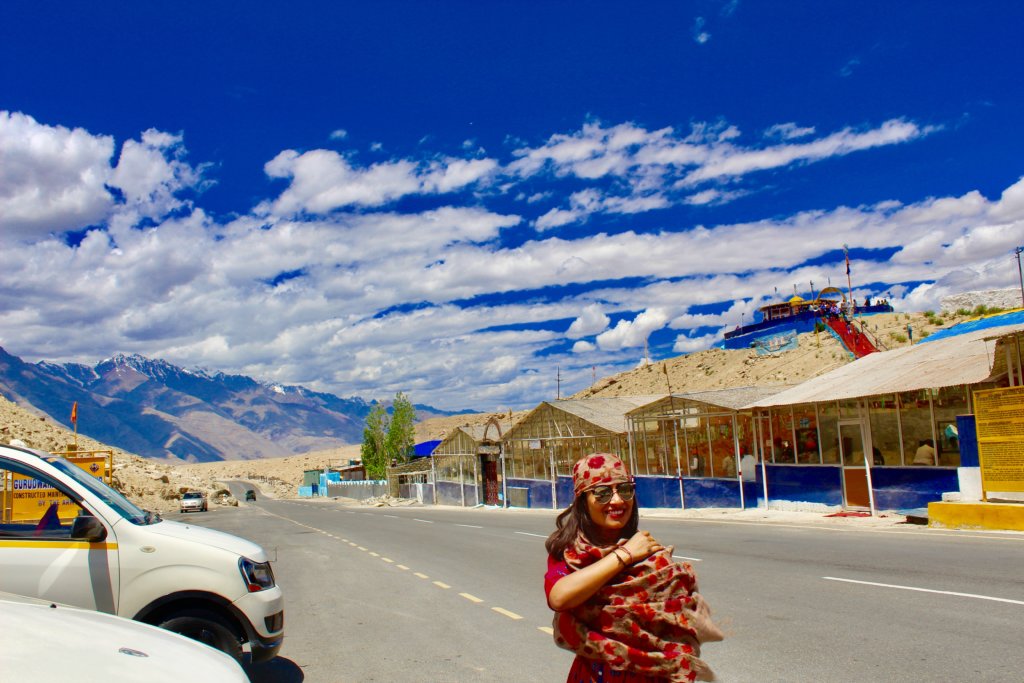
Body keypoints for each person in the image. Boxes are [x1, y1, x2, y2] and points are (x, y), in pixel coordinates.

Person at [544, 453, 722, 682]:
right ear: (582, 500)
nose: (617, 501)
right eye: (602, 493)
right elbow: (559, 598)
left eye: (625, 490)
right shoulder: (571, 554)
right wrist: (625, 555)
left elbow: (678, 631)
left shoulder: (651, 556)